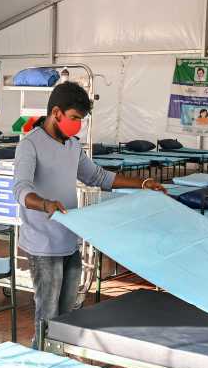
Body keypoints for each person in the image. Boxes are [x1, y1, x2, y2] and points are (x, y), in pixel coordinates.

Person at [14, 82, 166, 337]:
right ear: (56, 113)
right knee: (48, 315)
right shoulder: (30, 145)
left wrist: (142, 184)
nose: (78, 125)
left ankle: (61, 361)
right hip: (43, 244)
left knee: (68, 314)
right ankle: (42, 361)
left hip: (69, 239)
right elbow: (20, 189)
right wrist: (44, 204)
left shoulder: (72, 146)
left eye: (81, 120)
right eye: (74, 118)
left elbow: (98, 176)